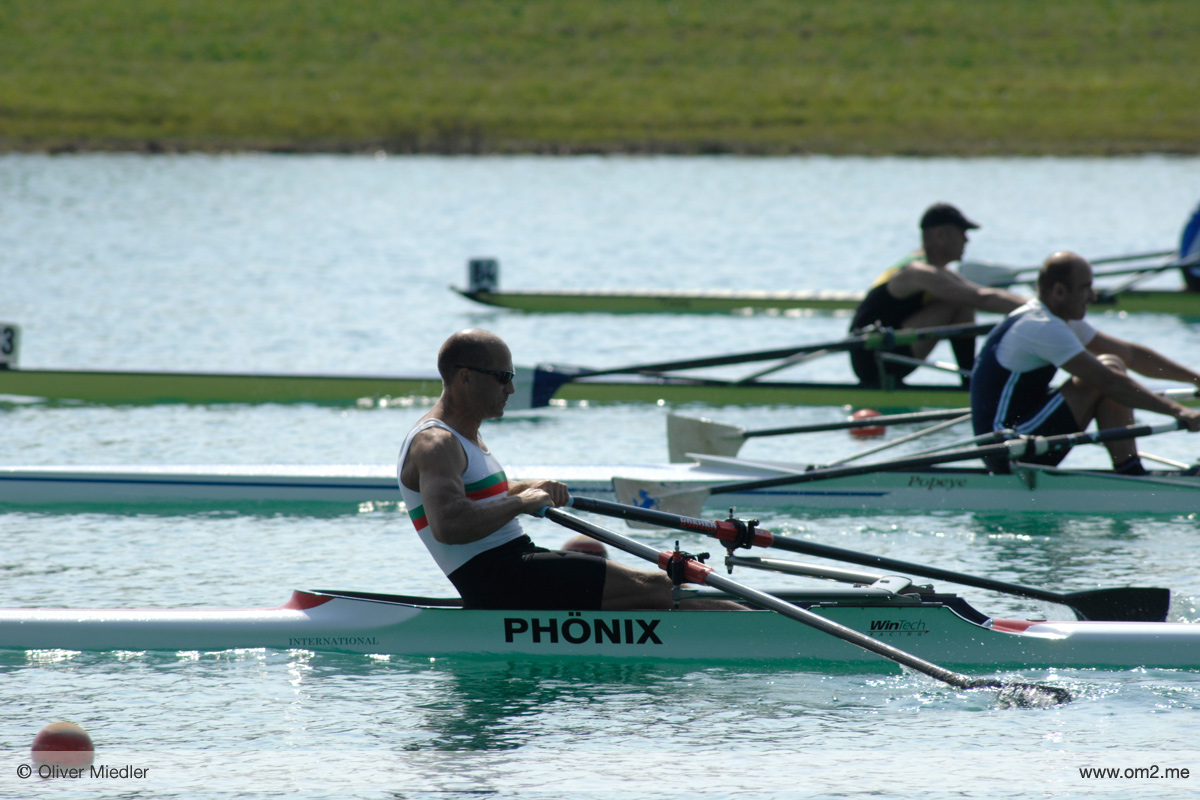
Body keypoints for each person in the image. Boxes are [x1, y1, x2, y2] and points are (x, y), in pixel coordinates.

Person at [397, 328, 741, 611]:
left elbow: (479, 494)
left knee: (666, 592)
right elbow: (449, 525)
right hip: (503, 579)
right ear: (466, 378)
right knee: (670, 586)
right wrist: (521, 502)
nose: (511, 389)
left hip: (514, 568)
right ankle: (771, 631)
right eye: (503, 377)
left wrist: (530, 486)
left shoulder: (461, 436)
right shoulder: (436, 443)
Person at [970, 251, 1200, 475]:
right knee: (1105, 375)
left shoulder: (1057, 318)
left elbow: (1131, 355)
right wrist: (1179, 411)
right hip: (1008, 447)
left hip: (1025, 432)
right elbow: (1108, 382)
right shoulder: (1041, 326)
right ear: (1059, 291)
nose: (1093, 296)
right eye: (1085, 287)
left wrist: (1196, 379)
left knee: (1112, 362)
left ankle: (1130, 471)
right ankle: (1131, 472)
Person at [848, 203, 1026, 388]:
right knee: (960, 302)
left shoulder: (935, 271)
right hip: (872, 358)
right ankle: (971, 384)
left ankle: (970, 380)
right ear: (939, 236)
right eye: (962, 232)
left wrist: (1033, 304)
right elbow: (981, 298)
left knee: (961, 299)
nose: (967, 240)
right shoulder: (918, 272)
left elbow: (981, 293)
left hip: (892, 349)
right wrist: (1042, 307)